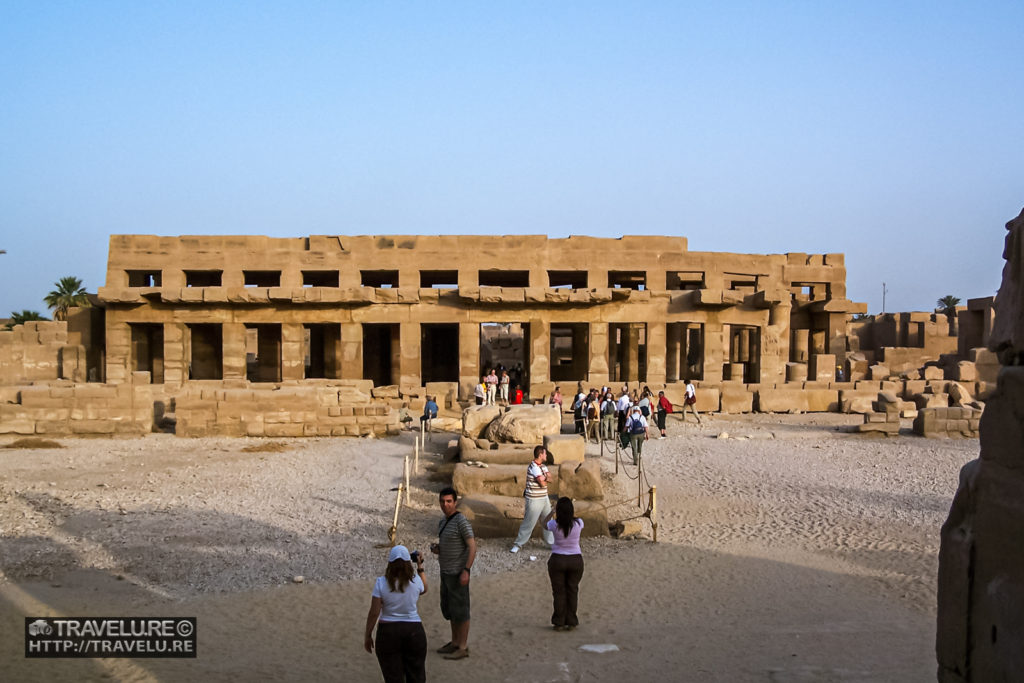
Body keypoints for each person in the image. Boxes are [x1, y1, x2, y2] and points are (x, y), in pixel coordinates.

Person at [364, 545, 428, 682]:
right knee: (416, 675)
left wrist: (368, 634)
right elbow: (424, 589)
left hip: (388, 632)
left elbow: (374, 612)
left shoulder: (381, 583)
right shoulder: (415, 580)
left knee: (392, 676)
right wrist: (420, 566)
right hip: (414, 630)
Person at [432, 487, 475, 660]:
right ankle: (455, 642)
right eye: (442, 501)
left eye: (449, 501)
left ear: (455, 502)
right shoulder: (442, 522)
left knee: (461, 611)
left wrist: (466, 570)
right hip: (445, 572)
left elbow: (472, 546)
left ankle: (462, 646)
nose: (445, 505)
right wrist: (438, 549)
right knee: (450, 609)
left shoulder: (461, 521)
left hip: (458, 573)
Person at [544, 497, 584, 631]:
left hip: (558, 560)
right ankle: (571, 621)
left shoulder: (554, 524)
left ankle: (559, 621)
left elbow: (543, 523)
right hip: (575, 560)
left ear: (559, 511)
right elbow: (574, 520)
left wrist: (552, 511)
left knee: (559, 591)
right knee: (572, 590)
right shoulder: (579, 523)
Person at [510, 445, 554, 553]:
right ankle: (518, 544)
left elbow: (551, 479)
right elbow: (542, 483)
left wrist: (546, 478)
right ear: (540, 455)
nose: (546, 455)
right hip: (534, 499)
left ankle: (552, 544)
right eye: (545, 453)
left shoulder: (543, 467)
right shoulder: (533, 467)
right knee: (529, 522)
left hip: (544, 498)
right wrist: (545, 478)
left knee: (548, 521)